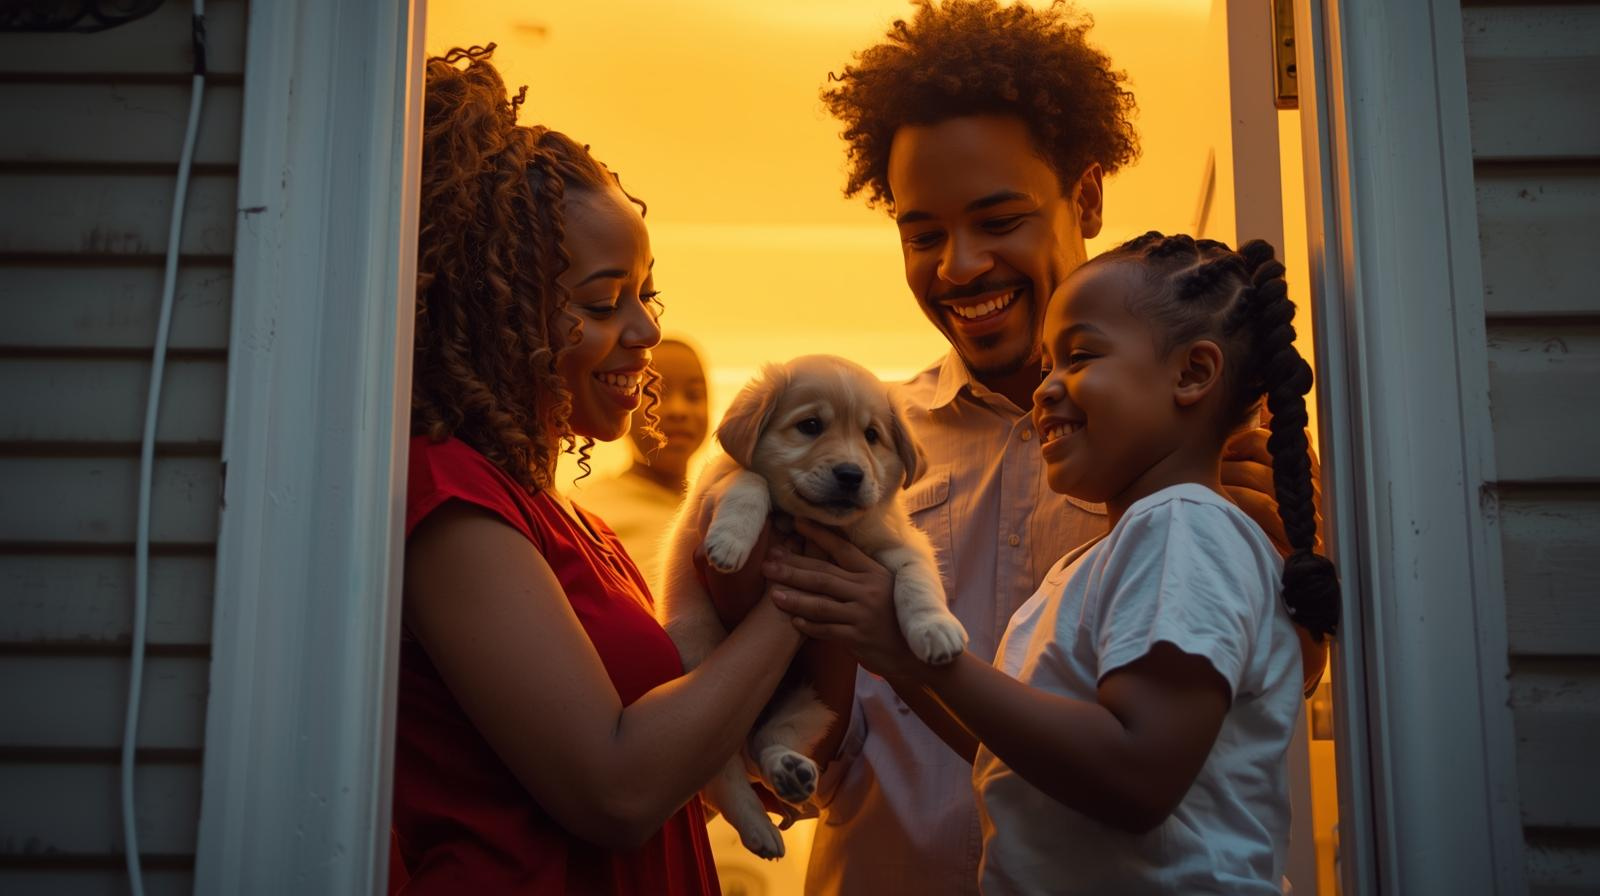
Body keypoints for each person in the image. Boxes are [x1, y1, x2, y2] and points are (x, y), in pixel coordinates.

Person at [739, 3, 1328, 893]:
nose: (960, 266)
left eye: (997, 219)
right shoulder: (859, 448)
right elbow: (823, 693)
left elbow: (1254, 700)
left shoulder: (1208, 465)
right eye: (923, 233)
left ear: (1084, 197)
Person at [774, 233, 1340, 893]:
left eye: (1080, 356)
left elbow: (1135, 776)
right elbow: (1017, 758)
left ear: (1192, 373)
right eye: (1047, 364)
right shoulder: (1096, 559)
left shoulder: (1185, 526)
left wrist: (908, 645)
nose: (1044, 390)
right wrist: (892, 651)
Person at [393, 46, 802, 894]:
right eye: (600, 300)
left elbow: (643, 771)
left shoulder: (571, 522)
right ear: (493, 305)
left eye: (645, 293)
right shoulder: (452, 501)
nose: (646, 331)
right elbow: (613, 791)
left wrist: (734, 772)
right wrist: (805, 603)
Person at [574, 337, 710, 591]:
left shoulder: (719, 504)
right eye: (656, 394)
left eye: (693, 395)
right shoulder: (591, 511)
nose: (679, 410)